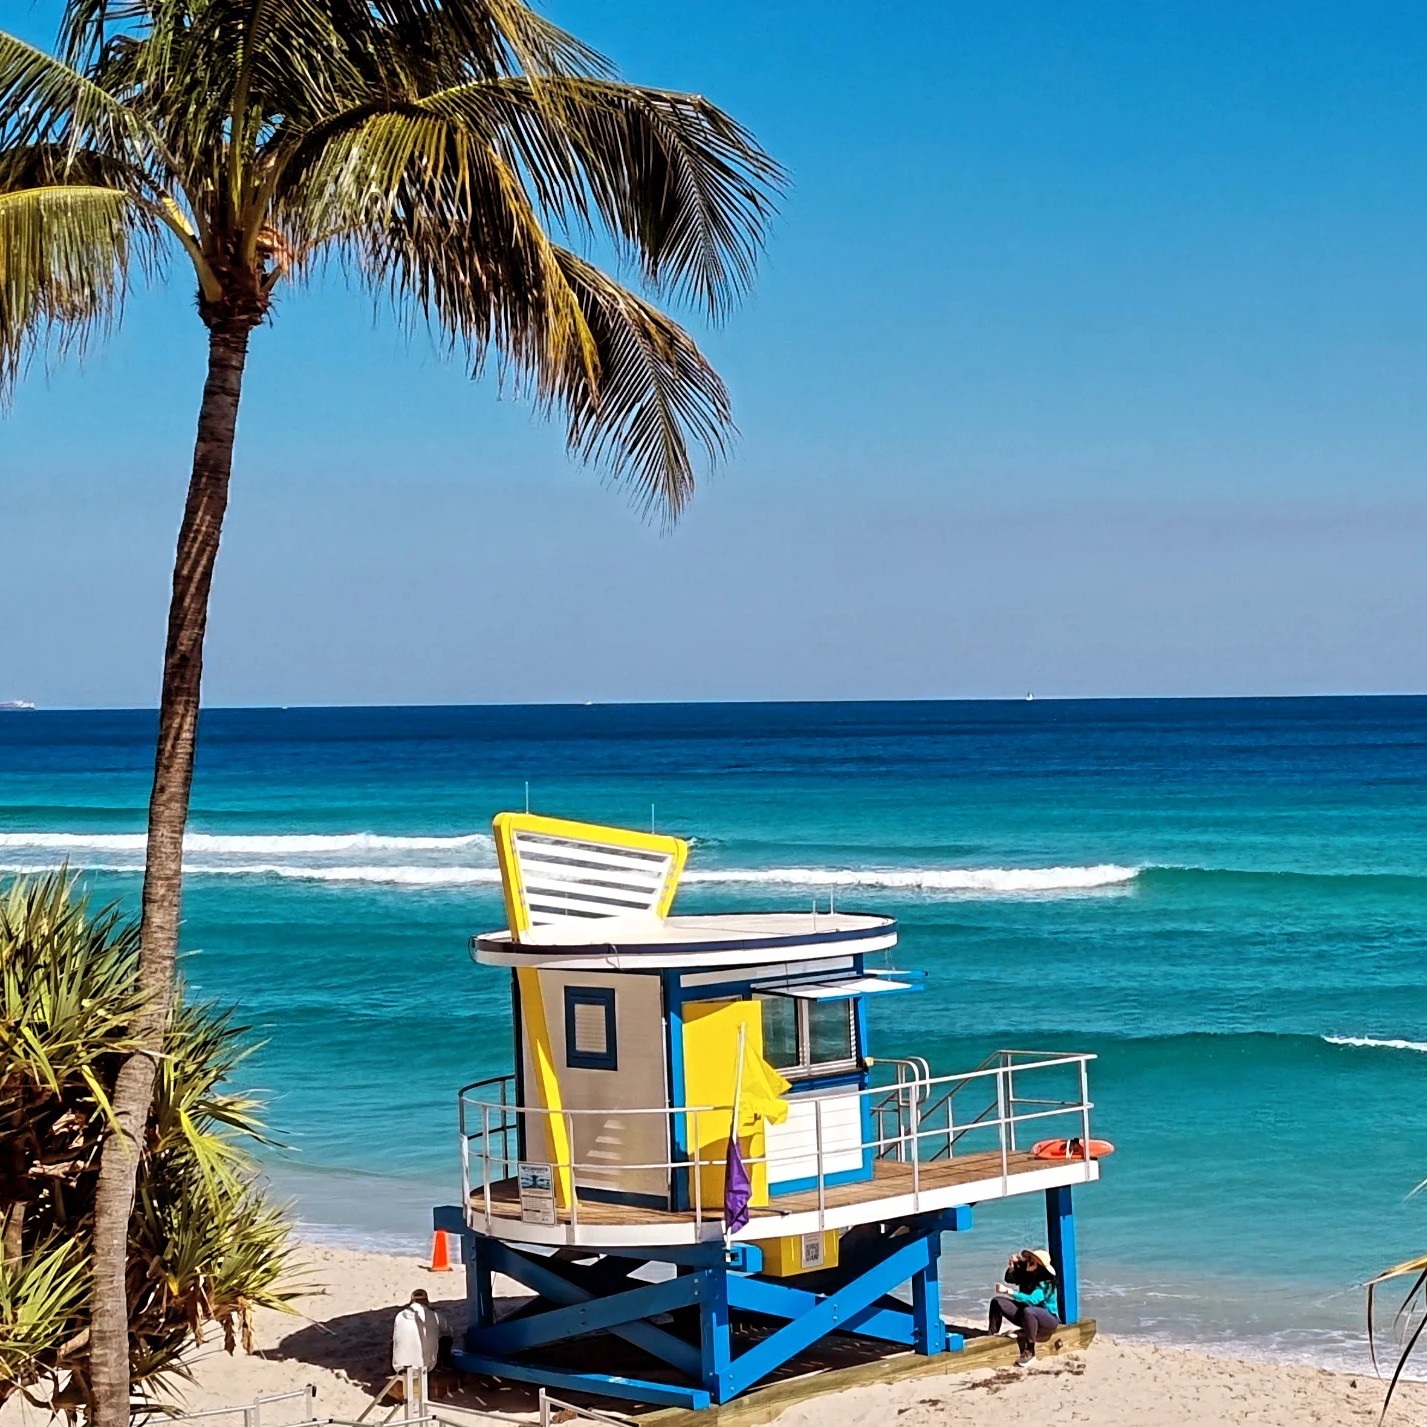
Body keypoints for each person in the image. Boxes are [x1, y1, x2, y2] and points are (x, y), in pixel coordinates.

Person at [988, 1248, 1059, 1366]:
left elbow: (1032, 1300)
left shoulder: (1045, 1283)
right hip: (1026, 1316)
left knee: (1029, 1311)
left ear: (1039, 1266)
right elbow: (1009, 1278)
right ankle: (991, 1337)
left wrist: (1009, 1291)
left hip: (1048, 1320)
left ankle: (1030, 1351)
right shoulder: (1027, 1274)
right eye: (1028, 1259)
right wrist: (1013, 1266)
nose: (1028, 1262)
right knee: (997, 1302)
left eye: (1031, 1261)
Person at [391, 1288, 446, 1385]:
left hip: (400, 1366)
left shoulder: (399, 1316)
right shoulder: (435, 1316)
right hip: (426, 1366)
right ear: (427, 1302)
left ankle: (397, 1369)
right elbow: (446, 1330)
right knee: (443, 1339)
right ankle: (441, 1368)